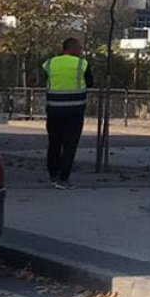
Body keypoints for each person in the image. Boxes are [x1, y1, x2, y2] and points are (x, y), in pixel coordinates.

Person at [41, 35, 93, 190]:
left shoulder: (49, 63)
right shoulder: (82, 64)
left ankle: (53, 175)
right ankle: (64, 178)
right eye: (80, 48)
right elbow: (90, 82)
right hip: (75, 110)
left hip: (54, 109)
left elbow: (46, 80)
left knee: (54, 143)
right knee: (70, 144)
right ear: (72, 49)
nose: (81, 51)